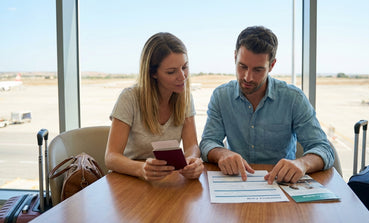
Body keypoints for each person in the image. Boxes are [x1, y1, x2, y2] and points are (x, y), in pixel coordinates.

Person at [199, 26, 334, 184]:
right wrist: (222, 153)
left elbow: (323, 148)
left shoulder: (293, 98)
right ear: (235, 57)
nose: (248, 77)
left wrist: (302, 163)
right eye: (242, 66)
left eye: (258, 70)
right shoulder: (221, 96)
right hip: (237, 182)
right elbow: (208, 142)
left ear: (272, 65)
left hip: (281, 184)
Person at [105, 32, 204, 181]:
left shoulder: (185, 98)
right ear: (153, 73)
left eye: (184, 67)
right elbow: (111, 157)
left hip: (165, 181)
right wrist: (140, 169)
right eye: (171, 72)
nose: (182, 76)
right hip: (129, 179)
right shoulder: (129, 98)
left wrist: (192, 160)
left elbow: (192, 146)